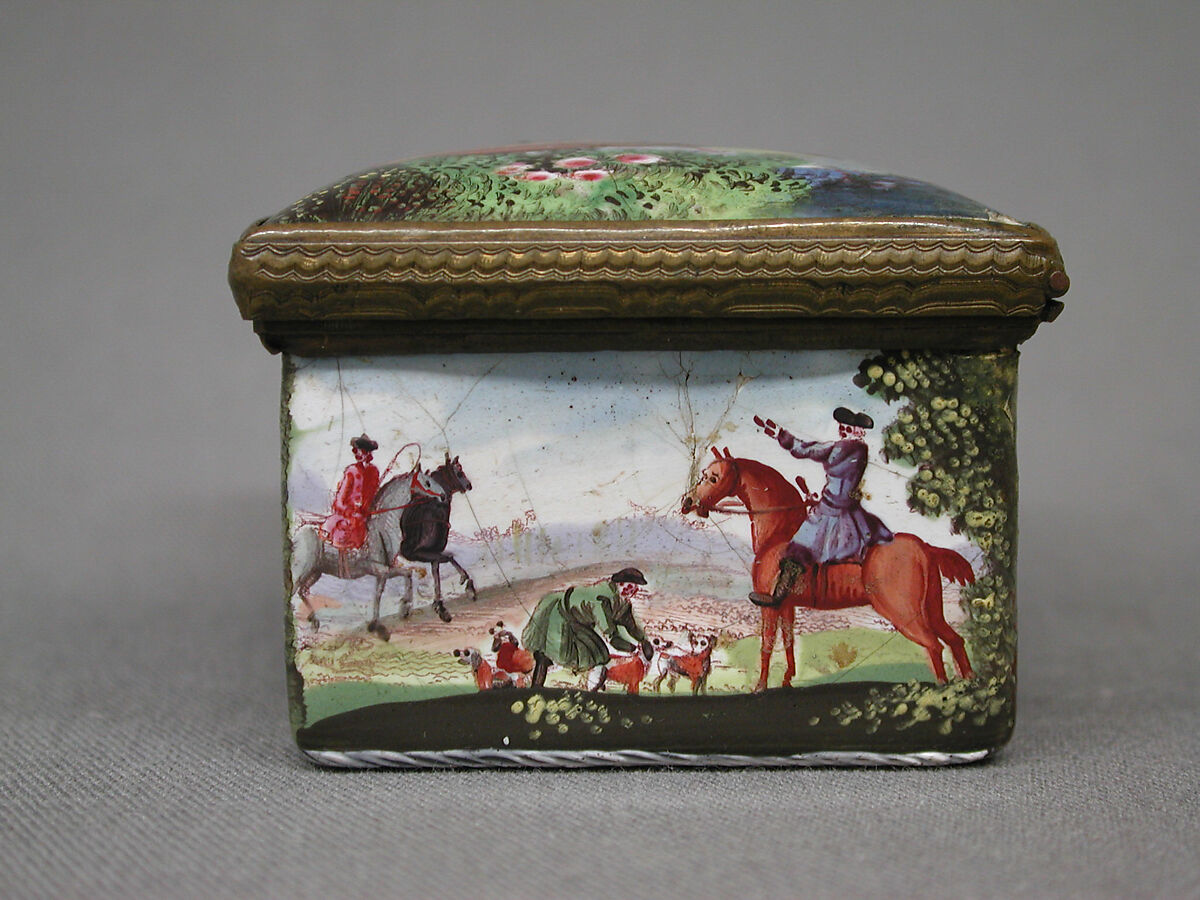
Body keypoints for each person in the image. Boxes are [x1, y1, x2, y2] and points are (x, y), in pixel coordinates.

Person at [749, 408, 894, 607]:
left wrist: (782, 436)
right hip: (839, 506)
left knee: (799, 547)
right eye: (842, 427)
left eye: (848, 428)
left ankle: (778, 597)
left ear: (859, 432)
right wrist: (780, 435)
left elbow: (811, 450)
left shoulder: (844, 449)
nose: (843, 430)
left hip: (833, 511)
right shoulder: (852, 449)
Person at [522, 568, 653, 690]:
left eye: (635, 588)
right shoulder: (602, 599)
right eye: (629, 586)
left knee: (598, 654)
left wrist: (644, 640)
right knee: (552, 652)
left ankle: (593, 689)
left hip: (580, 622)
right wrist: (632, 648)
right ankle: (536, 689)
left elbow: (630, 624)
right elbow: (611, 635)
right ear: (619, 583)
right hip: (560, 613)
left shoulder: (622, 602)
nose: (632, 591)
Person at [321, 434, 381, 575]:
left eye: (362, 450)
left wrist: (368, 508)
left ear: (369, 452)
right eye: (356, 450)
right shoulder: (351, 471)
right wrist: (350, 511)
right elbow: (340, 500)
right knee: (347, 530)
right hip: (349, 514)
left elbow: (374, 494)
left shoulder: (374, 471)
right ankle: (345, 567)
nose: (358, 454)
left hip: (368, 513)